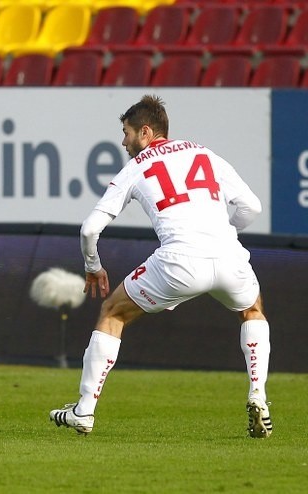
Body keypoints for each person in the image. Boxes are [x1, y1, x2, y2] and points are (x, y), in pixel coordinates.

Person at [49, 95, 272, 438]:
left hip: (179, 260)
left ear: (146, 132)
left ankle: (84, 410)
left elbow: (89, 229)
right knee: (252, 311)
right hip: (228, 255)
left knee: (112, 312)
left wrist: (93, 265)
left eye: (126, 133)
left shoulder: (135, 168)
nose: (123, 142)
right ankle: (258, 395)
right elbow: (251, 207)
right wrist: (223, 234)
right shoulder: (205, 153)